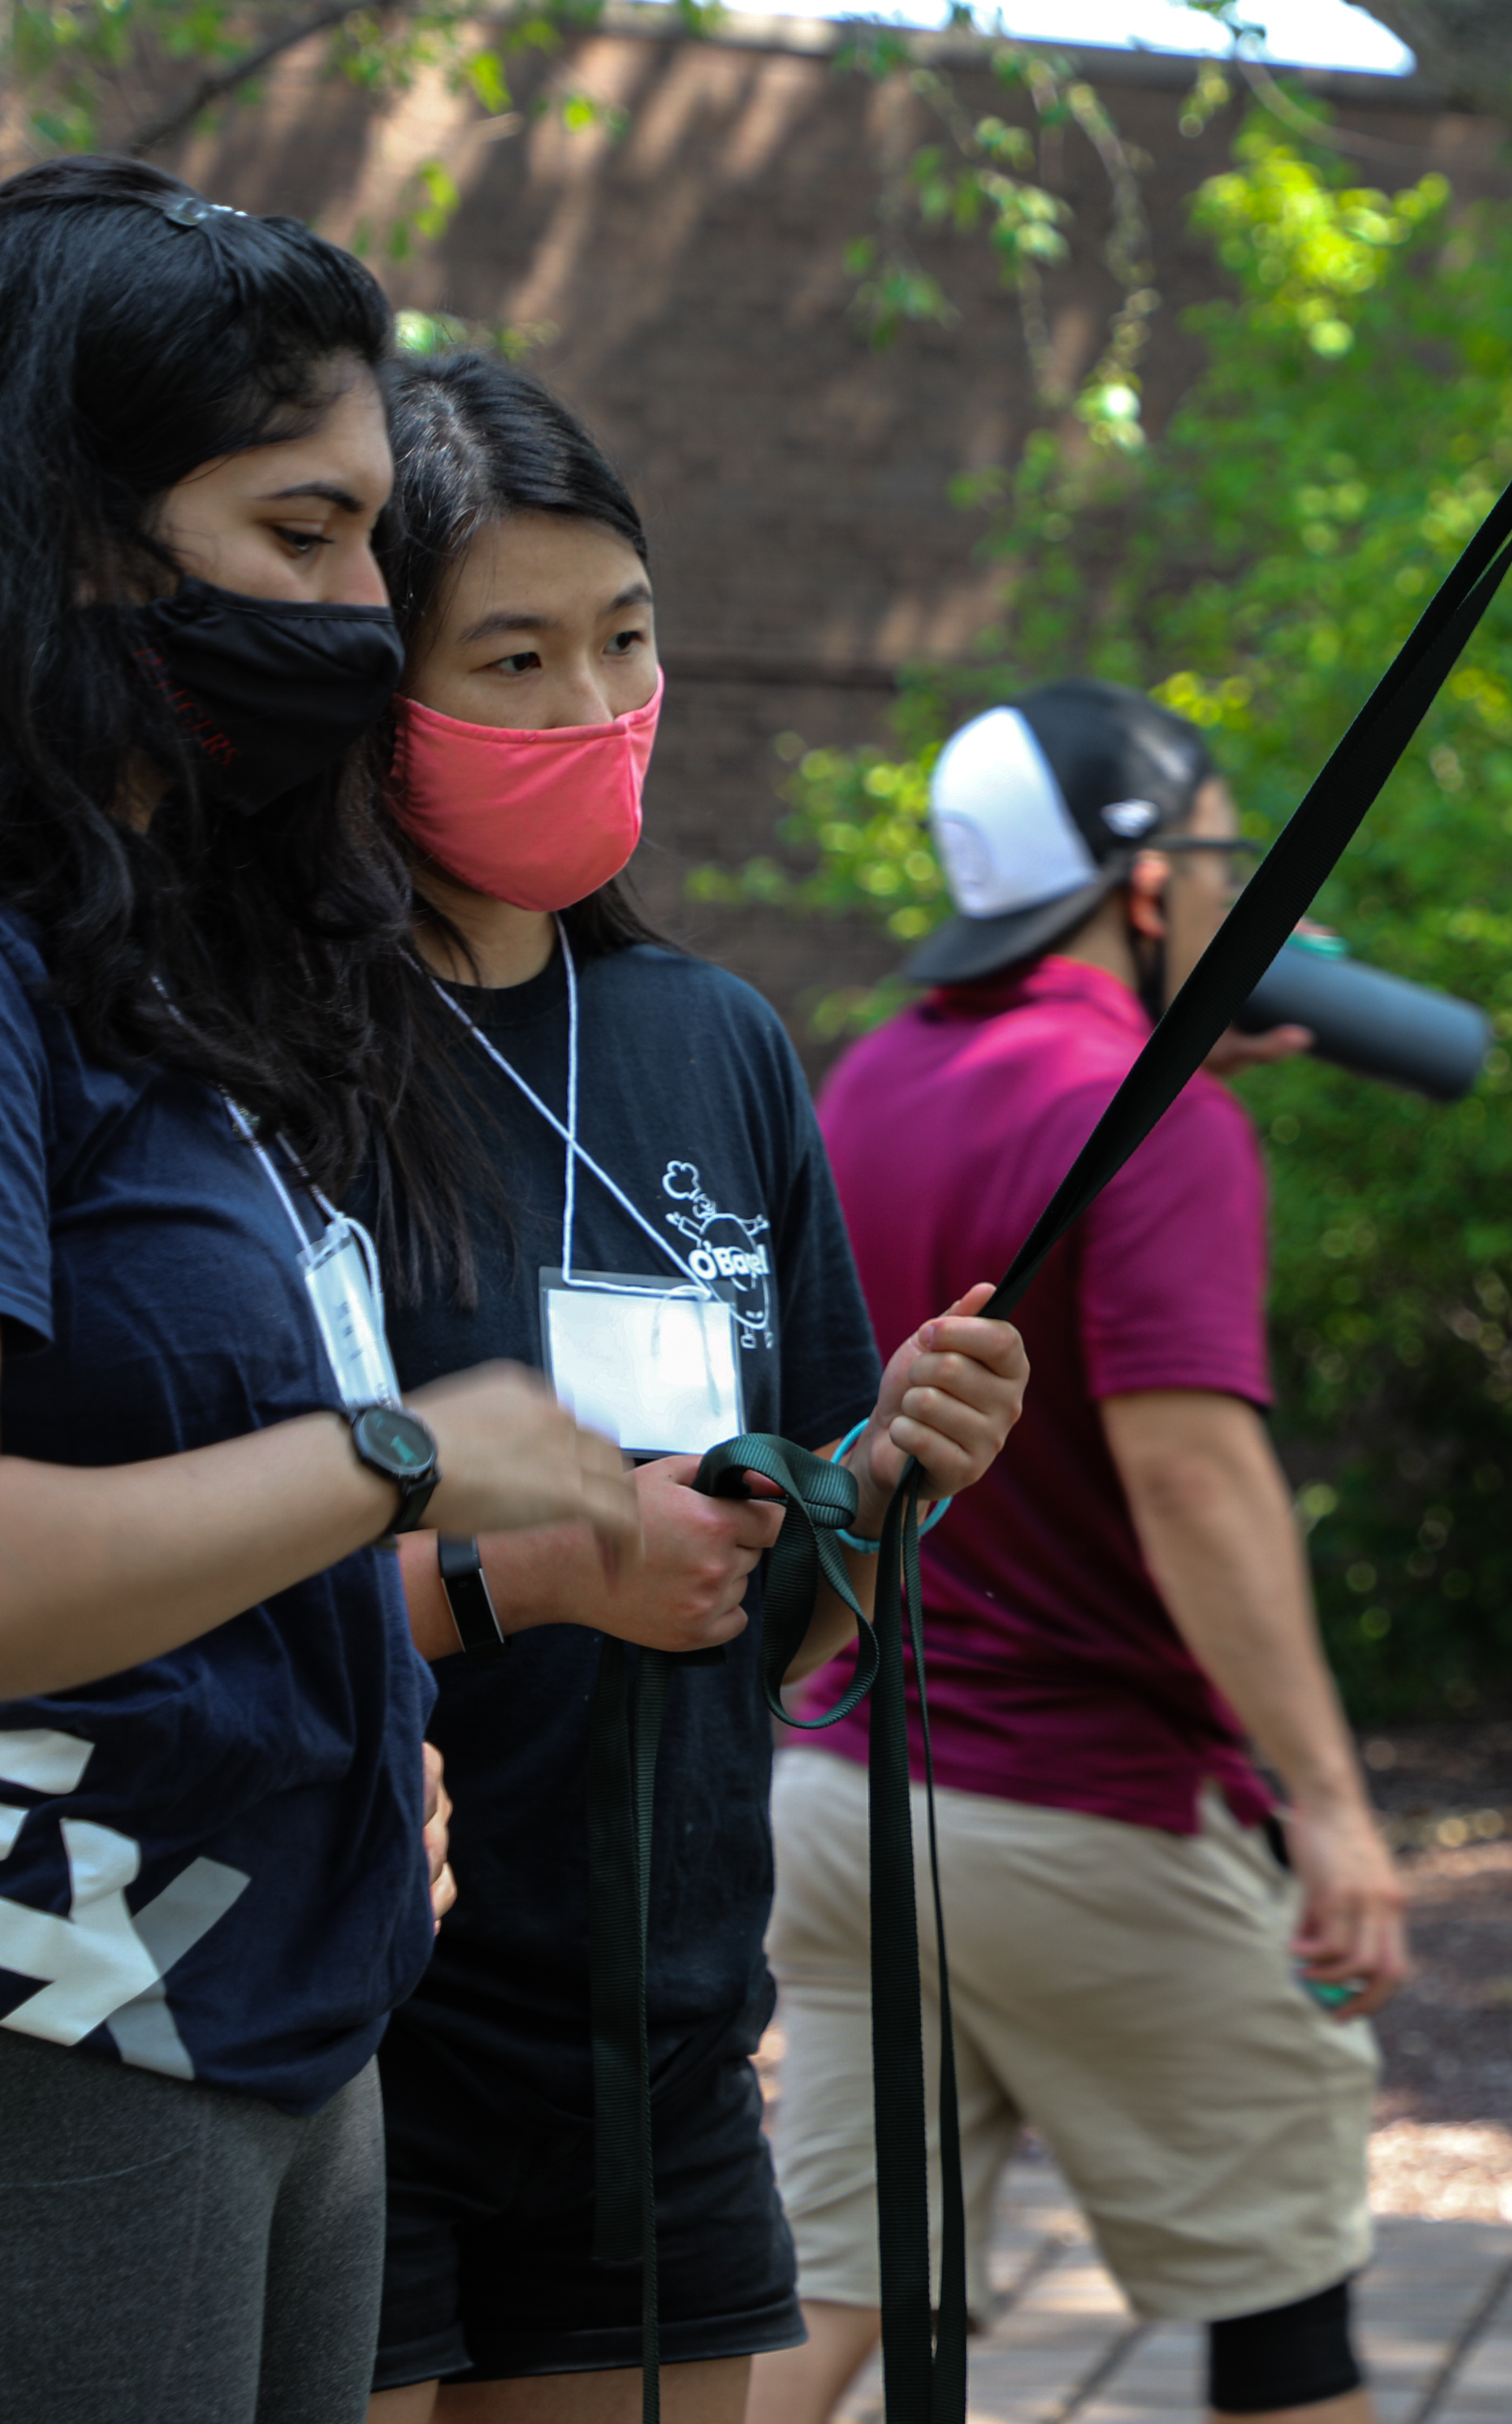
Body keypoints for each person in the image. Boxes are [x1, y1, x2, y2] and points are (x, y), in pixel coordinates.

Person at [0, 159, 642, 2422]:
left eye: (374, 541)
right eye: (300, 537)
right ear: (65, 529)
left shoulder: (145, 962)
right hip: (20, 2044)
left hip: (261, 2020)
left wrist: (470, 1608)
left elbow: (191, 1556)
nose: (365, 609)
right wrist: (396, 1455)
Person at [346, 354, 1031, 2424]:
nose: (587, 709)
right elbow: (187, 1573)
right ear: (371, 689)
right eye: (515, 657)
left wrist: (894, 1481)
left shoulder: (710, 1038)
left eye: (624, 642)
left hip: (656, 2035)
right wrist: (536, 1568)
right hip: (352, 2031)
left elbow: (798, 1610)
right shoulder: (268, 1054)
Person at [749, 682, 1408, 2424]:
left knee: (820, 2291)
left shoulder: (874, 1077)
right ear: (1141, 886)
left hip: (846, 1800)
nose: (1243, 889)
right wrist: (1329, 1806)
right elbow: (1192, 1479)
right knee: (1288, 2297)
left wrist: (1181, 1057)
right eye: (1220, 850)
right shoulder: (1155, 1121)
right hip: (1089, 1816)